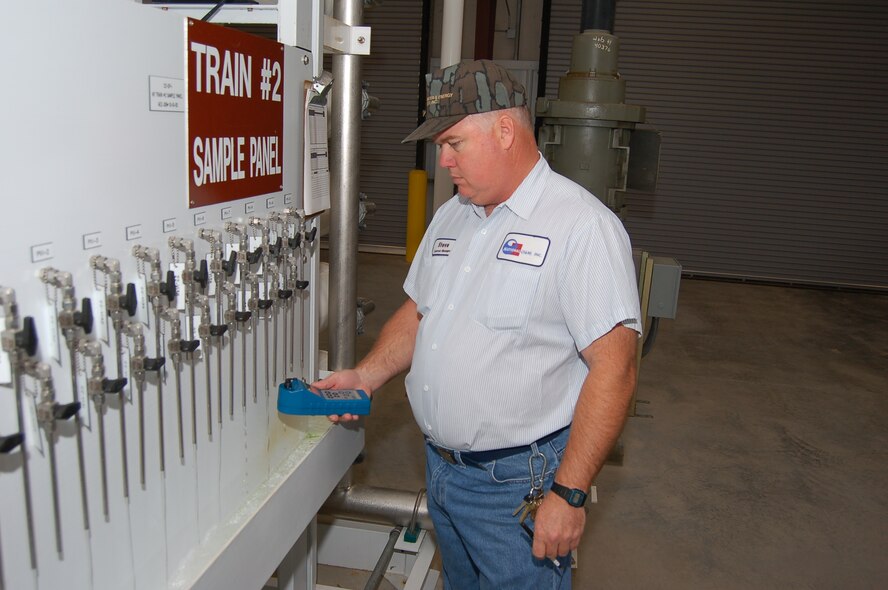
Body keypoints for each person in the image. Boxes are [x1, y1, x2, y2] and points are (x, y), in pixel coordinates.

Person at [315, 59, 641, 589]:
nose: (443, 161)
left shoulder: (582, 228)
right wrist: (367, 375)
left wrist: (569, 493)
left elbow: (616, 369)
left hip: (516, 485)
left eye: (455, 143)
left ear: (505, 130)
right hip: (441, 471)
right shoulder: (454, 214)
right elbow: (420, 312)